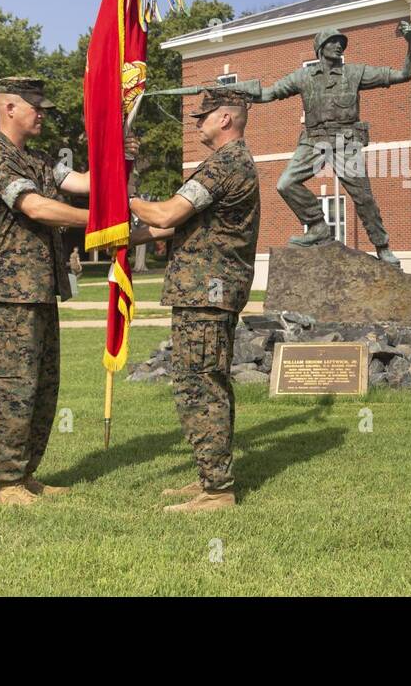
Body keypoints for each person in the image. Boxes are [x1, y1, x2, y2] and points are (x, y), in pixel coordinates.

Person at [0, 76, 138, 506]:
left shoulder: (39, 161)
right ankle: (7, 483)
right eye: (34, 106)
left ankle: (26, 474)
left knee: (43, 386)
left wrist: (119, 159)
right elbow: (36, 207)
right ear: (8, 108)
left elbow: (83, 182)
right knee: (12, 387)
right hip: (3, 294)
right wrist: (103, 223)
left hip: (38, 290)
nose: (41, 113)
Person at [129, 88, 259, 514]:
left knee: (201, 384)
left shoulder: (227, 163)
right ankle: (209, 475)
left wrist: (119, 198)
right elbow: (171, 227)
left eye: (203, 115)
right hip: (202, 291)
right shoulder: (226, 163)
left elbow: (166, 214)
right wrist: (126, 234)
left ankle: (218, 491)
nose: (196, 122)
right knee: (198, 381)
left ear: (226, 118)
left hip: (209, 291)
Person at [239, 21, 411, 266]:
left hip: (345, 141)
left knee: (363, 197)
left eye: (341, 43)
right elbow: (269, 93)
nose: (338, 46)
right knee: (286, 183)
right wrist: (240, 93)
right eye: (332, 42)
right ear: (320, 48)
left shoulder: (355, 73)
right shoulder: (303, 77)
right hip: (313, 141)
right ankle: (317, 226)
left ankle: (382, 246)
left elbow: (403, 75)